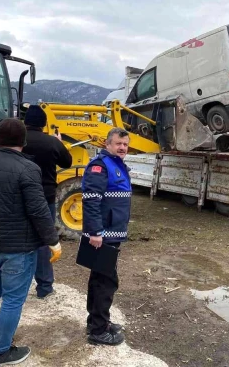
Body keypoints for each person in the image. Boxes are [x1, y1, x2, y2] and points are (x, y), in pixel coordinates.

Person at [0, 118, 62, 366]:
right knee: (12, 298)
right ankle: (0, 352)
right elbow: (38, 209)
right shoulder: (28, 169)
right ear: (23, 141)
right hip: (17, 248)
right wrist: (53, 241)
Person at [82, 127, 131, 346]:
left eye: (125, 144)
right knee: (106, 282)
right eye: (118, 144)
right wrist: (95, 232)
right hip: (103, 236)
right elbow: (91, 200)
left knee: (99, 279)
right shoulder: (100, 166)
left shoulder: (116, 165)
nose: (122, 148)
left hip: (110, 234)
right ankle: (98, 331)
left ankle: (97, 321)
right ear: (107, 145)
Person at [21, 104, 73, 299]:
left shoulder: (17, 141)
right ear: (44, 124)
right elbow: (67, 162)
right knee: (44, 240)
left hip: (21, 196)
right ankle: (44, 286)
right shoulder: (51, 142)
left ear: (25, 123)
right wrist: (58, 142)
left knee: (20, 240)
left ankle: (18, 286)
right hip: (45, 197)